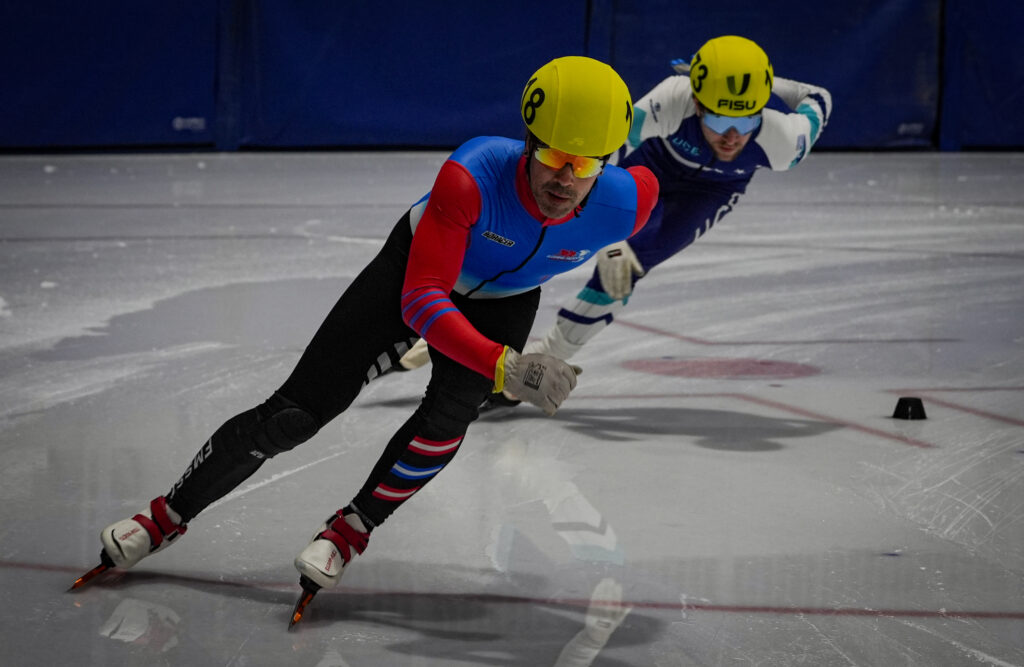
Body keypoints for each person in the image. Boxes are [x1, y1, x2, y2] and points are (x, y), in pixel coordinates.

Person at [71, 56, 659, 625]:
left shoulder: (625, 203)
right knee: (296, 414)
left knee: (448, 420)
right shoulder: (472, 175)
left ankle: (352, 530)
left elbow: (671, 174)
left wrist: (627, 255)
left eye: (584, 165)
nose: (564, 178)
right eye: (553, 156)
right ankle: (165, 516)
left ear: (606, 163)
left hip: (504, 301)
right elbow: (422, 299)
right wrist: (505, 366)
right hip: (415, 270)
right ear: (528, 143)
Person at [427, 35, 830, 410]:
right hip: (649, 168)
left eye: (744, 123)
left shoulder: (783, 141)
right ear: (697, 102)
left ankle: (535, 371)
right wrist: (614, 237)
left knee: (623, 272)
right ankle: (465, 305)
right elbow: (611, 146)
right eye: (718, 120)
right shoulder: (673, 98)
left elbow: (818, 97)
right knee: (549, 229)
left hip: (708, 194)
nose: (730, 137)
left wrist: (771, 83)